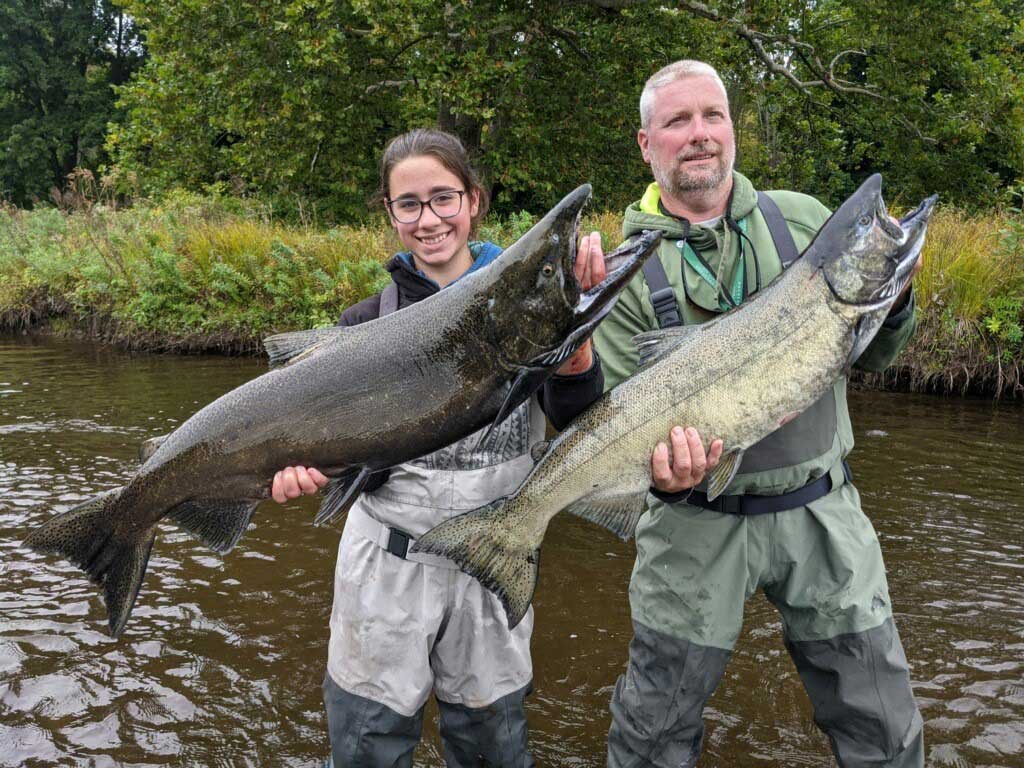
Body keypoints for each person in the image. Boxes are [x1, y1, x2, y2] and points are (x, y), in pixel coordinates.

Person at [585, 60, 925, 767]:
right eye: (678, 121)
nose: (700, 134)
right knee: (652, 736)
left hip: (823, 516)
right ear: (646, 143)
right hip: (693, 529)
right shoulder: (621, 272)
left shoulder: (804, 219)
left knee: (883, 729)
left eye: (714, 116)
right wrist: (665, 478)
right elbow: (615, 422)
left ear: (732, 129)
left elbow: (874, 357)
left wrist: (894, 302)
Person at [269, 128, 605, 768]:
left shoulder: (532, 301)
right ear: (391, 214)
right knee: (370, 746)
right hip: (386, 574)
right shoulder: (363, 325)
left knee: (492, 748)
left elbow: (580, 421)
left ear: (473, 200)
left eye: (443, 198)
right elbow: (356, 469)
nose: (429, 220)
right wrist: (300, 471)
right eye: (409, 204)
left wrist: (576, 346)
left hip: (492, 566)